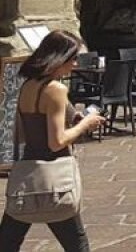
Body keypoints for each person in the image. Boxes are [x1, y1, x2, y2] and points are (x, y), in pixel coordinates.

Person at [0, 30, 105, 251]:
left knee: (8, 241)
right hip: (55, 175)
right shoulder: (56, 89)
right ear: (58, 58)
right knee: (77, 243)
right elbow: (57, 141)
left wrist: (73, 117)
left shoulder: (28, 85)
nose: (75, 65)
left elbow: (36, 122)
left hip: (27, 172)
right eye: (72, 58)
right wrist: (85, 124)